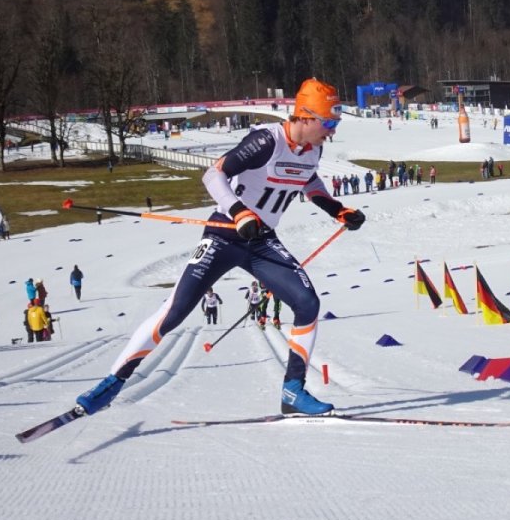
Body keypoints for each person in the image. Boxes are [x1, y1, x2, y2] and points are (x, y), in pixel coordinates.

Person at [75, 78, 366, 418]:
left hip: (262, 241)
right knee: (175, 311)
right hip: (224, 235)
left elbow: (308, 179)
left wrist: (336, 209)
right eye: (328, 123)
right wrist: (239, 211)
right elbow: (213, 175)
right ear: (305, 116)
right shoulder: (266, 141)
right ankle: (111, 383)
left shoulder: (313, 150)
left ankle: (293, 391)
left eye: (335, 123)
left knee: (307, 303)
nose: (332, 130)